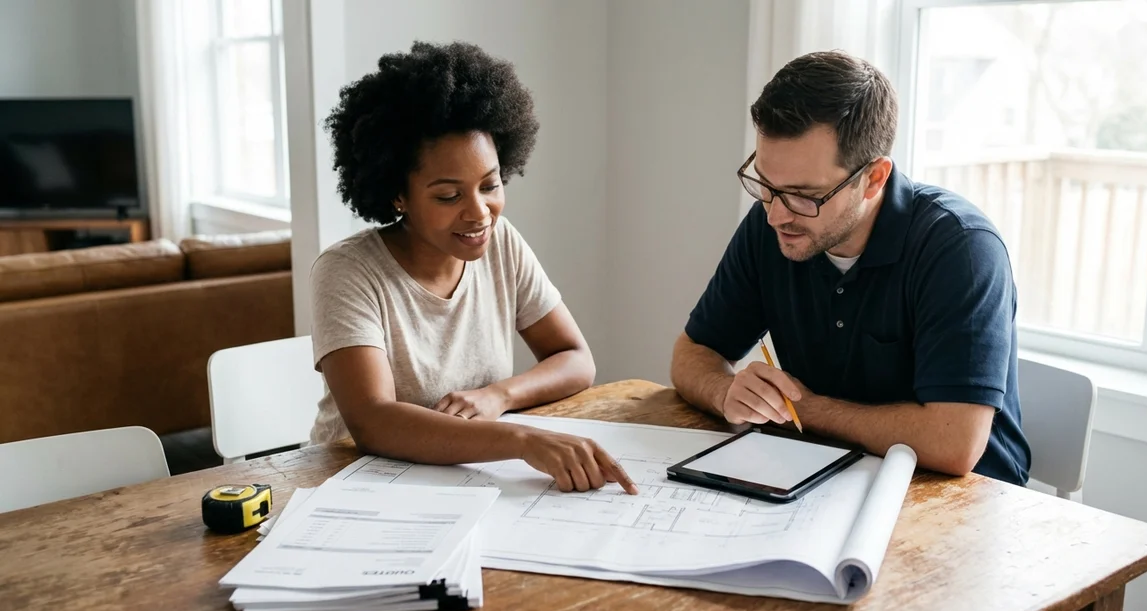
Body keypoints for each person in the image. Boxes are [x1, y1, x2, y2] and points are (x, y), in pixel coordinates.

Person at [670, 51, 1031, 485]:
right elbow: (693, 353)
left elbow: (955, 444)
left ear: (874, 178)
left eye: (805, 194)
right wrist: (724, 391)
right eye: (765, 184)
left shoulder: (962, 250)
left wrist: (797, 407)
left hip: (962, 499)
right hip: (825, 477)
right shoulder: (777, 224)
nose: (775, 215)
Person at [311, 41, 636, 494]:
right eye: (448, 196)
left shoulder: (501, 243)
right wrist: (522, 438)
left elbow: (576, 360)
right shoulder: (347, 271)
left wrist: (498, 396)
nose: (480, 212)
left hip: (470, 482)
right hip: (358, 485)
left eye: (491, 184)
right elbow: (373, 422)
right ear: (397, 194)